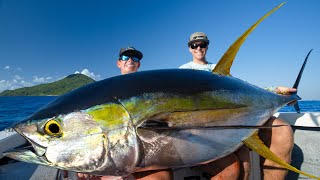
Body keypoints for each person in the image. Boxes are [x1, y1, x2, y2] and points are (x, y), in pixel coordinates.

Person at [179, 32, 295, 180]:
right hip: (208, 126)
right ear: (189, 48)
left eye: (203, 44)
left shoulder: (218, 69)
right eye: (194, 45)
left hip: (233, 120)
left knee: (280, 132)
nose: (199, 48)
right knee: (242, 164)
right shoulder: (183, 70)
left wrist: (275, 91)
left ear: (207, 46)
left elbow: (243, 92)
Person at [74, 47, 173, 180]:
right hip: (113, 154)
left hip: (148, 152)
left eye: (135, 58)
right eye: (126, 57)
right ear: (118, 63)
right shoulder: (106, 92)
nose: (130, 60)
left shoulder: (151, 88)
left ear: (138, 64)